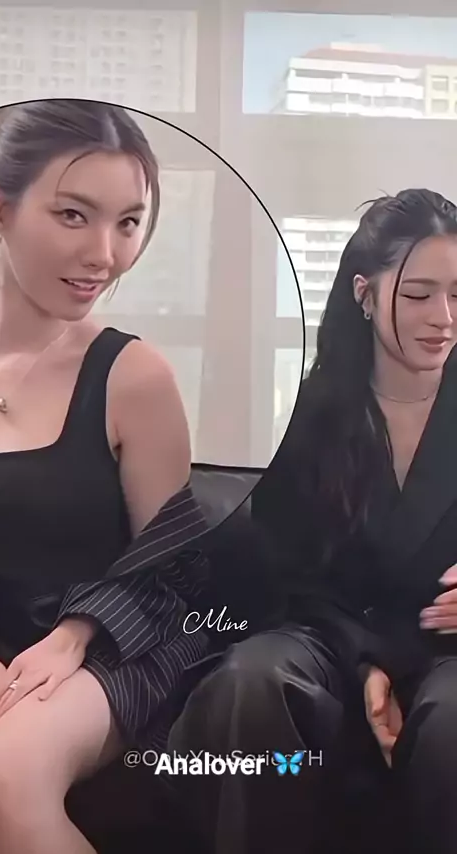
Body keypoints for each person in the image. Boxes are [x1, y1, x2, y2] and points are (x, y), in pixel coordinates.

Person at [168, 188, 457, 854]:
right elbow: (282, 577)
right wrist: (368, 660)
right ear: (364, 294)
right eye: (418, 294)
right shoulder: (311, 414)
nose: (443, 318)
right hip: (330, 637)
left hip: (446, 647)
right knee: (254, 682)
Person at [0, 99, 210, 854]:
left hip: (113, 650)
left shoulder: (133, 376)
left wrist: (75, 635)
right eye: (74, 215)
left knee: (0, 779)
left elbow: (174, 568)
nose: (104, 255)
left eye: (128, 223)